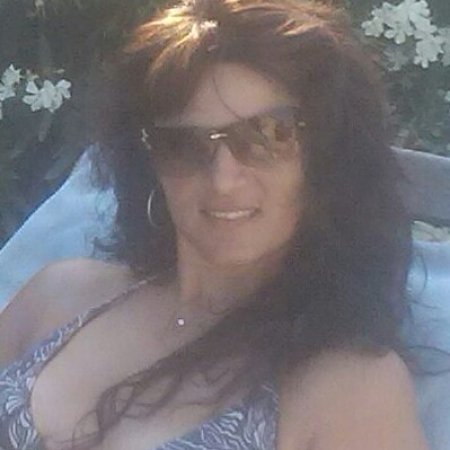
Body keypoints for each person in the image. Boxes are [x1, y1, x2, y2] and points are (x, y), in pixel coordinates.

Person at [0, 0, 435, 449]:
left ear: (327, 158)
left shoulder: (349, 388)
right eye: (183, 144)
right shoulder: (59, 297)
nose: (223, 179)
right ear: (148, 161)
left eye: (267, 135)